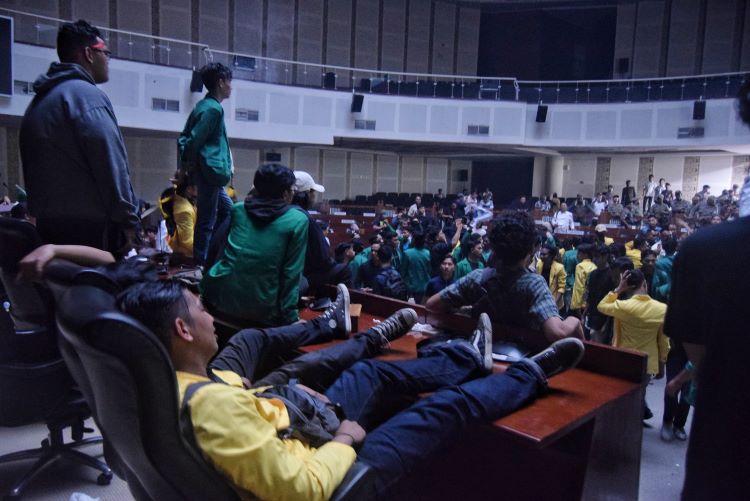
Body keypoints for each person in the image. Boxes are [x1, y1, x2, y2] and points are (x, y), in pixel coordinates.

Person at [118, 277, 584, 500]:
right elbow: (303, 491)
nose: (208, 314)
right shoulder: (210, 407)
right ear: (182, 330)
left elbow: (248, 412)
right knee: (443, 409)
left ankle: (465, 355)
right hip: (331, 474)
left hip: (300, 430)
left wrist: (291, 400)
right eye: (200, 308)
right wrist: (344, 439)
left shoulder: (170, 386)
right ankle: (530, 375)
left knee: (372, 373)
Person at [20, 19, 140, 257]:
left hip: (49, 228)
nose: (108, 59)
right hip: (91, 231)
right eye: (106, 52)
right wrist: (129, 222)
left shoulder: (39, 102)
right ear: (88, 53)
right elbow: (110, 164)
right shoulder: (87, 97)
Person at [427, 211, 584, 343]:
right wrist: (575, 321)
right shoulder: (534, 283)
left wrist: (467, 311)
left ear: (494, 246)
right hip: (519, 359)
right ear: (530, 249)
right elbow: (558, 333)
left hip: (479, 351)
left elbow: (432, 305)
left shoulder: (477, 277)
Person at [201, 164, 307, 327]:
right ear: (286, 193)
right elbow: (291, 273)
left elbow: (217, 249)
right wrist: (290, 318)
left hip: (219, 298)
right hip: (262, 311)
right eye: (293, 189)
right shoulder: (297, 220)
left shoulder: (239, 210)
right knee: (304, 282)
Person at [178, 63, 234, 266]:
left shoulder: (205, 106)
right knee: (206, 221)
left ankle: (211, 252)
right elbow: (194, 141)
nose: (231, 86)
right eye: (229, 82)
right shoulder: (212, 109)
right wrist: (184, 169)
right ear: (220, 82)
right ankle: (202, 263)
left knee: (229, 210)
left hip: (211, 172)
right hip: (209, 170)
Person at [598, 269, 668, 421]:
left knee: (621, 393)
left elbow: (601, 306)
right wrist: (662, 363)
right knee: (640, 394)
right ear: (645, 283)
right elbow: (664, 340)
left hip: (624, 358)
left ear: (628, 287)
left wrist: (618, 289)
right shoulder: (662, 309)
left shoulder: (623, 307)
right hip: (647, 361)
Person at [292, 171, 352, 292]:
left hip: (293, 270)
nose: (314, 196)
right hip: (304, 276)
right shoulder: (304, 217)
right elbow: (323, 259)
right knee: (344, 270)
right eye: (313, 192)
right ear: (307, 194)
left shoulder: (286, 211)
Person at [162, 173, 197, 261]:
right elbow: (187, 242)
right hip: (187, 258)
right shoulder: (184, 210)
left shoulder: (180, 201)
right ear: (189, 189)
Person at [402, 232, 431, 303]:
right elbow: (429, 270)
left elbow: (403, 271)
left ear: (414, 241)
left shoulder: (407, 253)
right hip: (425, 286)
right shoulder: (428, 253)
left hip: (411, 286)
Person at [536, 244, 566, 310]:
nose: (541, 256)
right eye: (541, 254)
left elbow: (561, 288)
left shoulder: (560, 268)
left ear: (551, 256)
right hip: (541, 299)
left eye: (544, 254)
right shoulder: (539, 264)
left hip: (554, 300)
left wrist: (553, 303)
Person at [569, 243, 597, 315]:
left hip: (579, 305)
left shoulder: (580, 266)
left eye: (579, 253)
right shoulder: (594, 266)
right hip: (588, 304)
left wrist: (577, 306)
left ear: (585, 255)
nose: (577, 255)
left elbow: (579, 287)